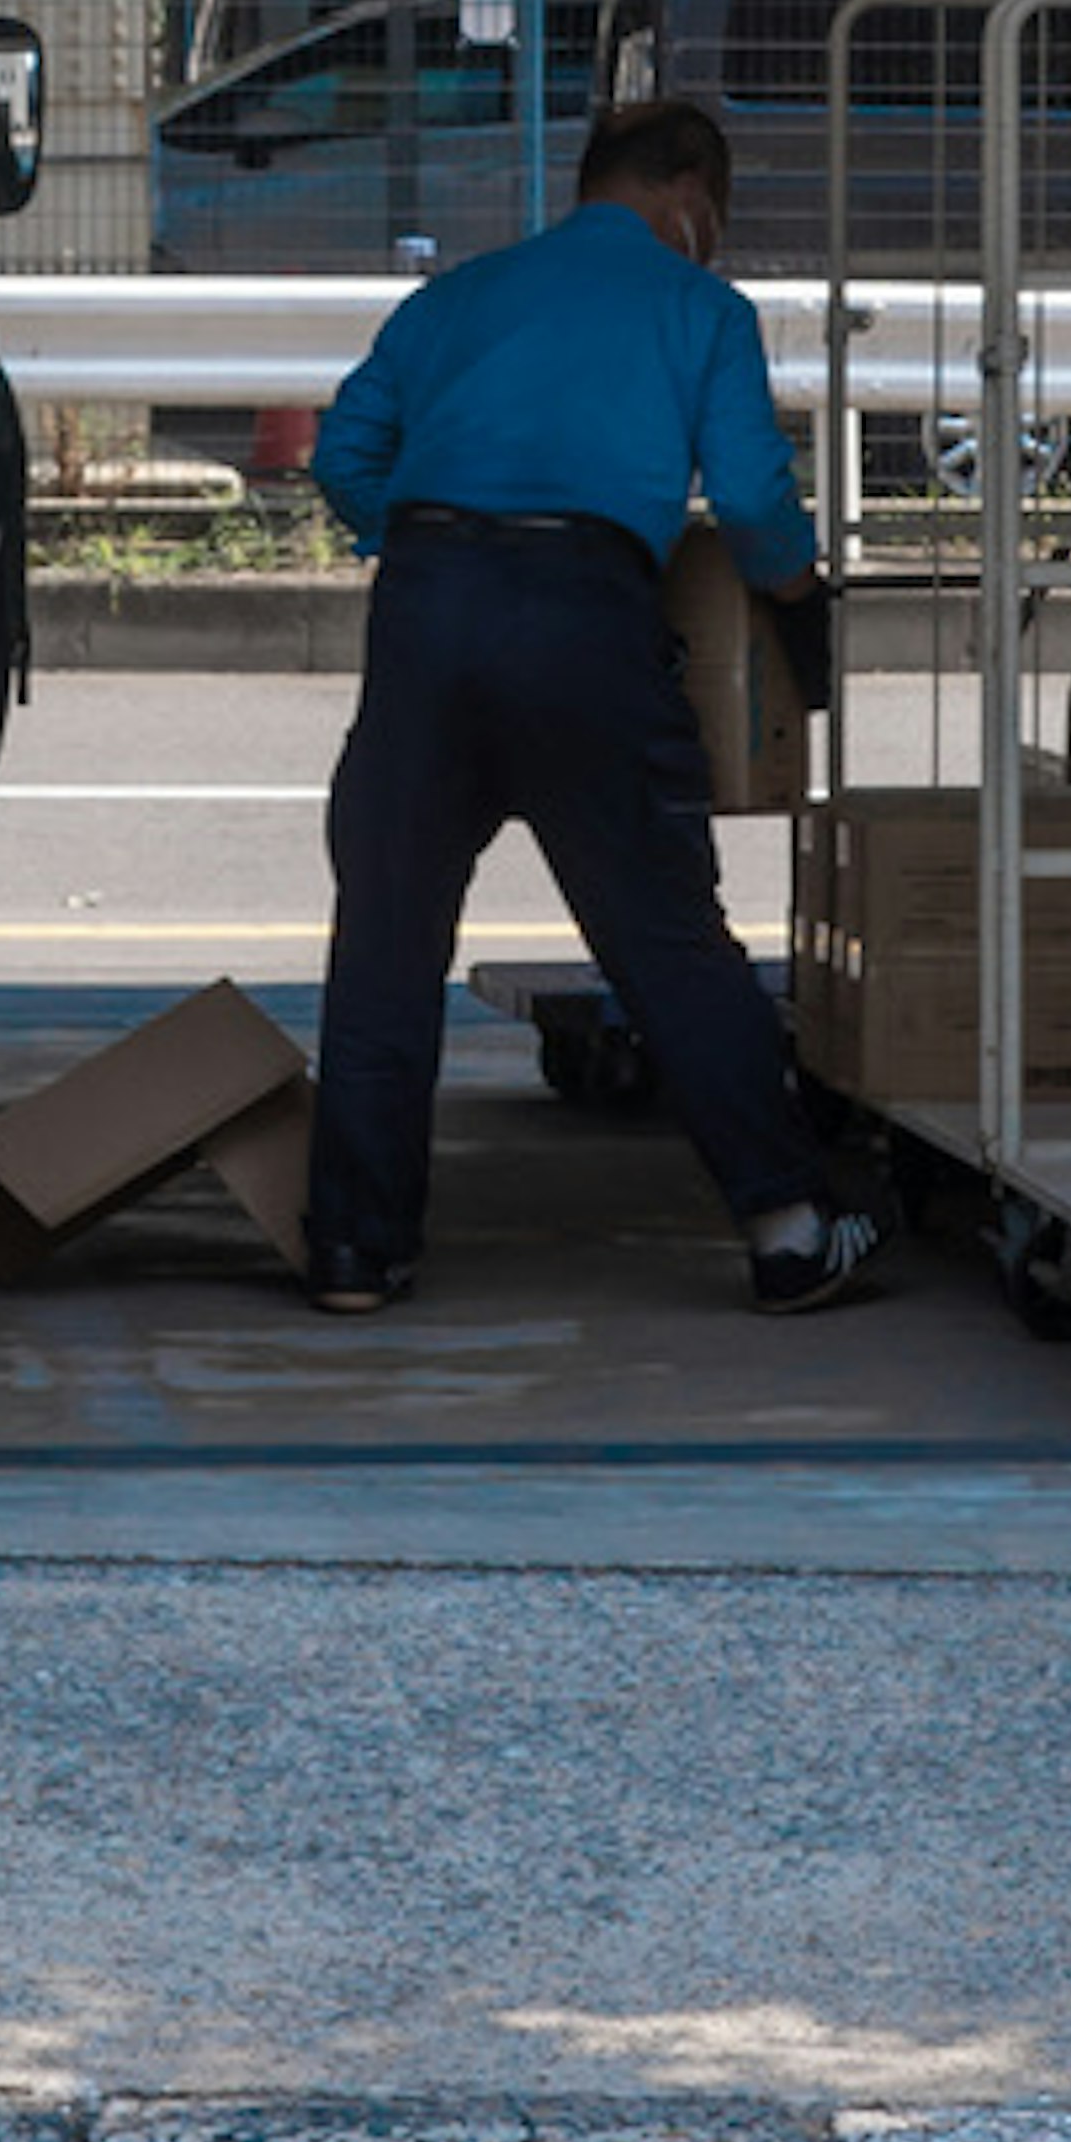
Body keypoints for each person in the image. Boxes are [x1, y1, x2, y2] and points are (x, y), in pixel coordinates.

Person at [298, 90, 881, 1319]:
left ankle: (354, 1250)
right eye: (713, 214)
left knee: (388, 940)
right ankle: (787, 1227)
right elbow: (756, 503)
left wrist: (426, 535)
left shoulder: (454, 299)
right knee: (665, 936)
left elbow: (344, 456)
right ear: (685, 195)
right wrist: (796, 593)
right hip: (584, 613)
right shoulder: (701, 309)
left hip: (429, 603)